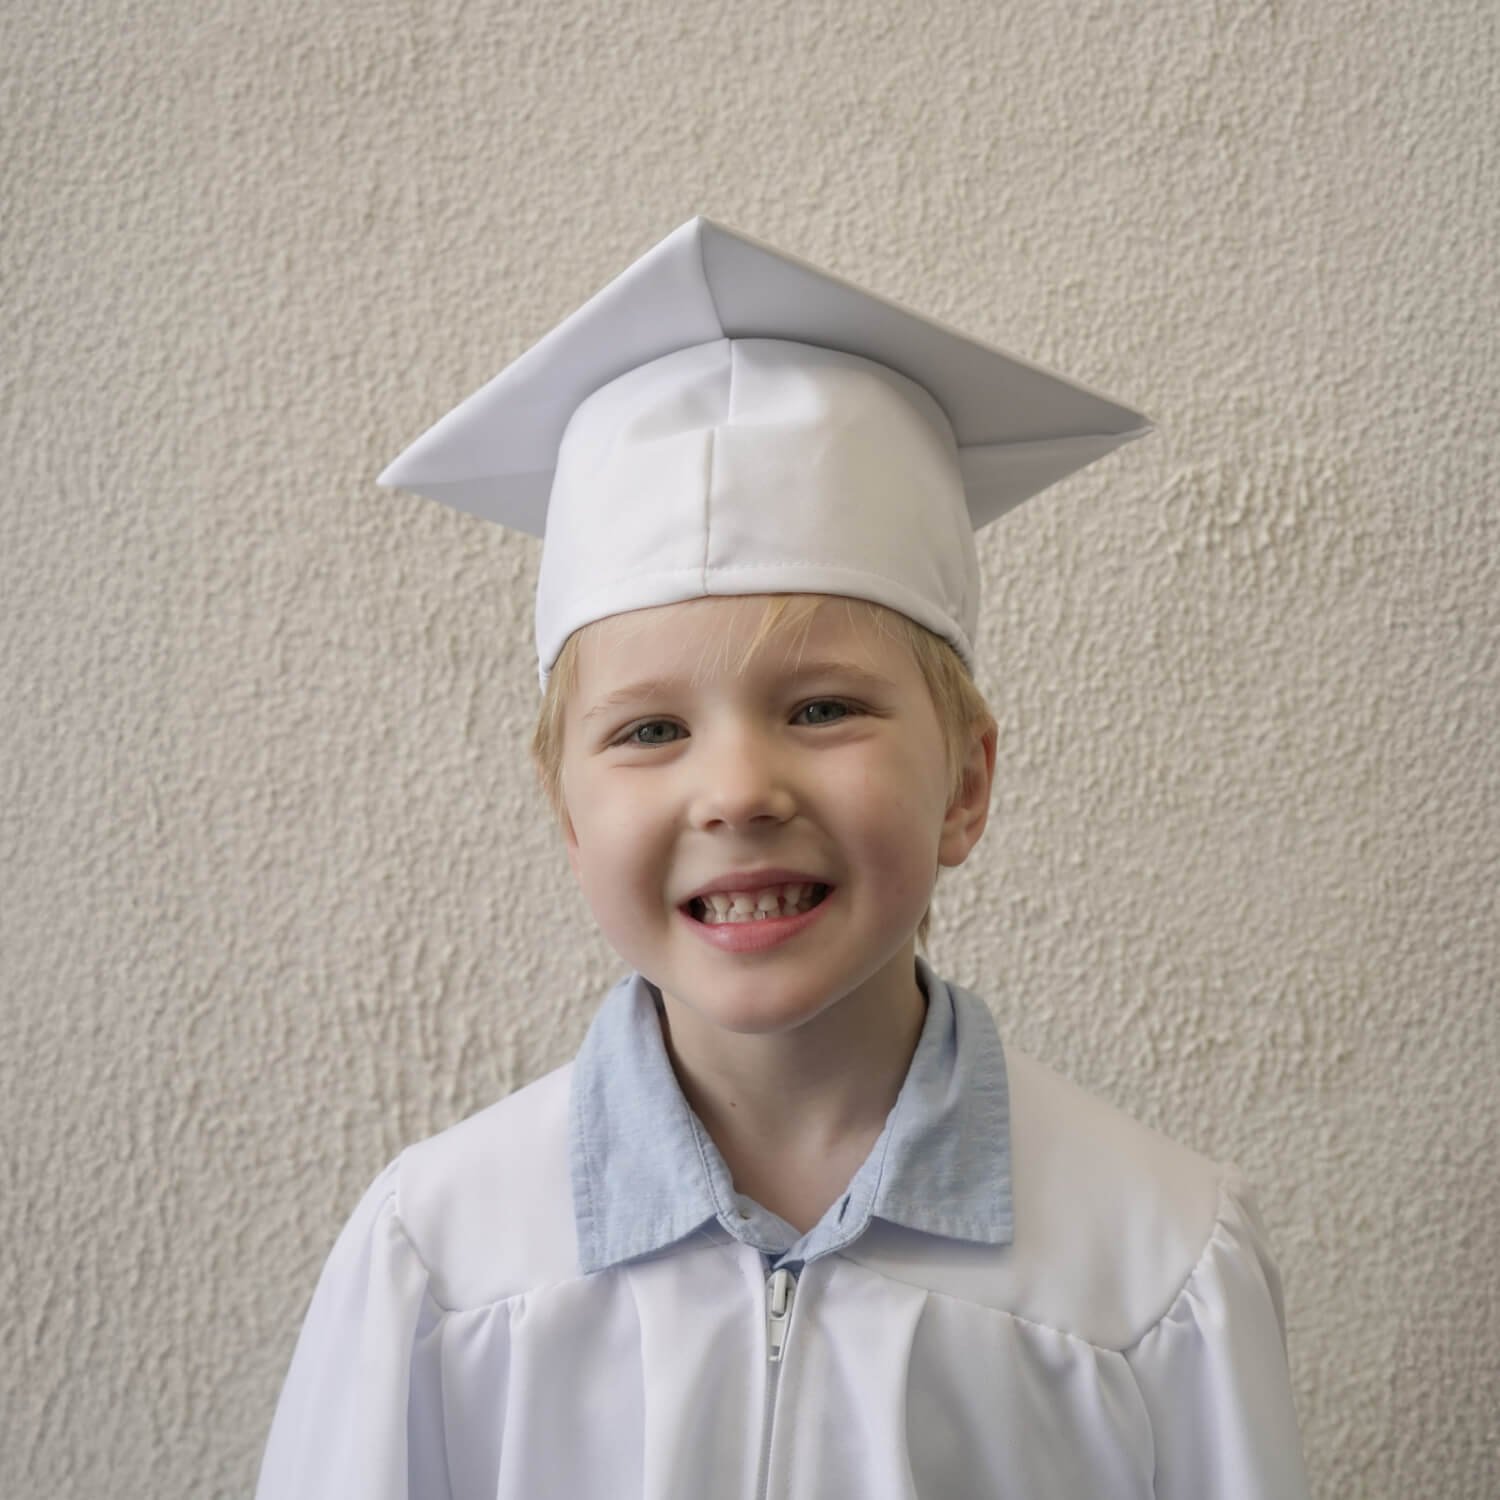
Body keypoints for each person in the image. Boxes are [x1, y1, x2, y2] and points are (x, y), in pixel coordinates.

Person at [255, 217, 1310, 1498]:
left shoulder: (1154, 1265)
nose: (740, 791)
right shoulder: (443, 1258)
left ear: (966, 782)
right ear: (567, 812)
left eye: (823, 709)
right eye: (650, 730)